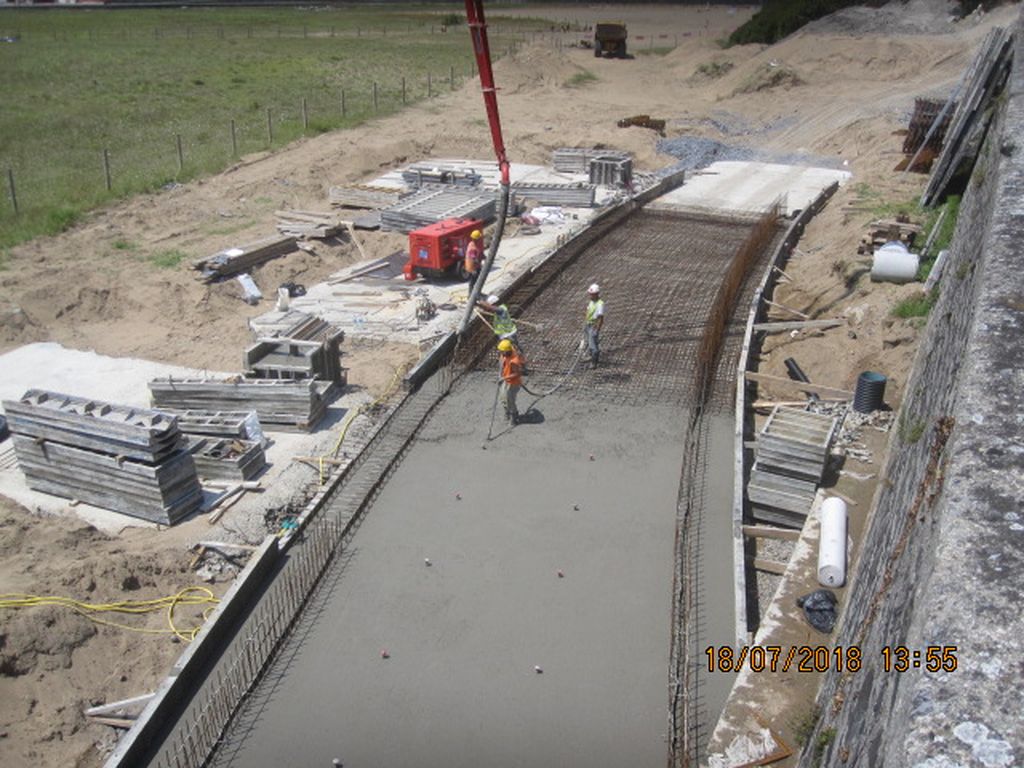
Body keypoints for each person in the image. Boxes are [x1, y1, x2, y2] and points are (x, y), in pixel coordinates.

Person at [497, 339, 524, 425]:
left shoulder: (514, 361)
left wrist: (503, 377)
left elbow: (517, 374)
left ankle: (514, 417)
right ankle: (507, 412)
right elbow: (501, 362)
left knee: (510, 401)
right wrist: (500, 374)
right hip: (505, 380)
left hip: (513, 383)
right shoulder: (506, 352)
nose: (501, 353)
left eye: (502, 352)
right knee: (503, 398)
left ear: (507, 351)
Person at [584, 283, 605, 367]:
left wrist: (597, 329)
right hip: (588, 324)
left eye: (591, 294)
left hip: (593, 326)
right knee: (590, 343)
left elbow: (601, 318)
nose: (590, 295)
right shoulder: (591, 301)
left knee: (593, 345)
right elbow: (588, 311)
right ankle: (591, 356)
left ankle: (594, 362)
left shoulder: (600, 304)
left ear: (596, 294)